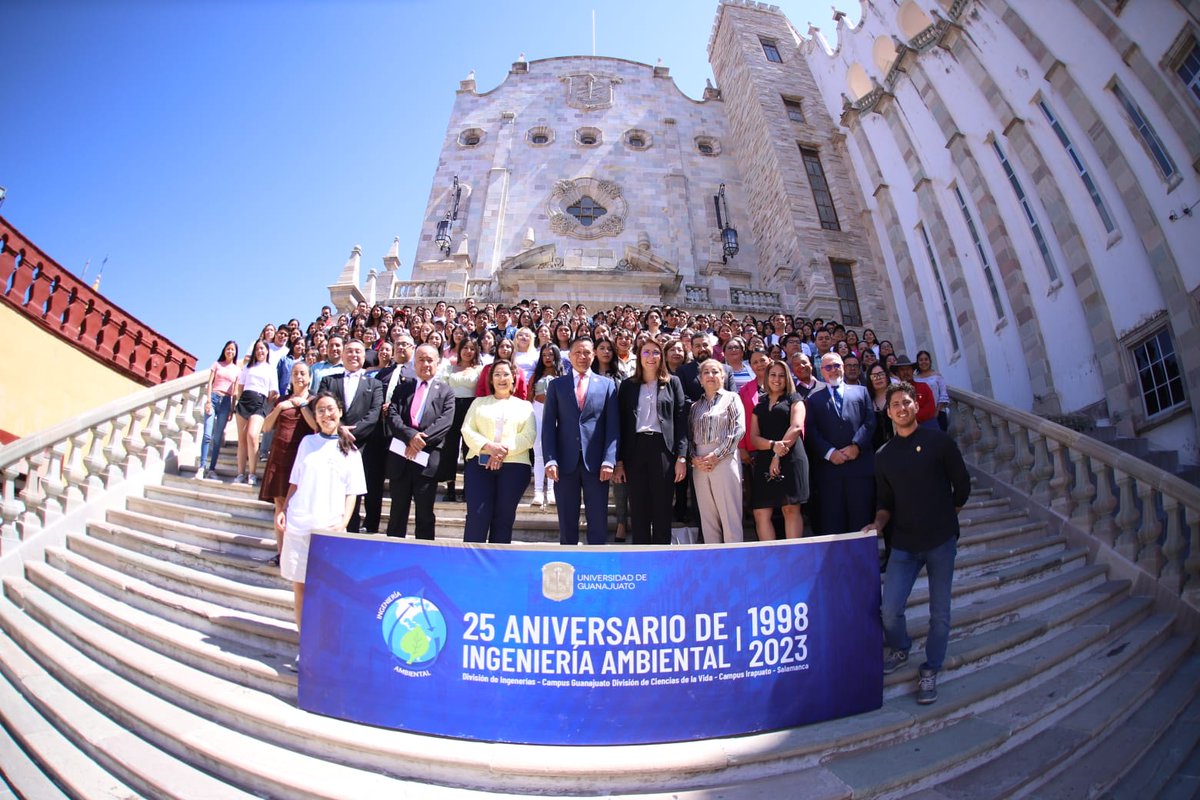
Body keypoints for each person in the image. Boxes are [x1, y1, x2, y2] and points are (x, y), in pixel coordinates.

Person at [865, 381, 971, 705]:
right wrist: (878, 525)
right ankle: (900, 647)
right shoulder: (883, 457)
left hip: (940, 541)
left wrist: (943, 515)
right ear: (889, 411)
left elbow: (962, 487)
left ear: (915, 405)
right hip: (904, 546)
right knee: (890, 610)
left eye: (906, 402)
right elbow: (884, 503)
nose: (901, 407)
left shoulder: (939, 442)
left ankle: (931, 668)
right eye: (895, 403)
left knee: (940, 613)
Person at [278, 390, 365, 670]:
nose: (327, 414)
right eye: (320, 411)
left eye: (331, 409)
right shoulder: (306, 443)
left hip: (329, 529)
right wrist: (284, 510)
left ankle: (326, 646)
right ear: (314, 418)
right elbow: (295, 481)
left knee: (327, 591)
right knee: (300, 588)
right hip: (299, 524)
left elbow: (352, 493)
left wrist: (342, 524)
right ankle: (306, 647)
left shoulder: (350, 450)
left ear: (339, 411)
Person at [542, 335, 620, 546]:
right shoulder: (557, 385)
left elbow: (613, 427)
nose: (582, 357)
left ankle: (595, 565)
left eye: (587, 352)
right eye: (577, 352)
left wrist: (609, 460)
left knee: (598, 520)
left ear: (594, 355)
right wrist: (550, 459)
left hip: (596, 464)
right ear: (570, 355)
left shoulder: (607, 385)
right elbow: (549, 426)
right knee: (567, 521)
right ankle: (569, 562)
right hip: (564, 464)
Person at [613, 338, 688, 545]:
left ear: (662, 356)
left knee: (663, 505)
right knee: (638, 506)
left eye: (656, 352)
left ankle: (661, 553)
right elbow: (620, 423)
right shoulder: (628, 385)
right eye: (646, 352)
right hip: (635, 449)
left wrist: (682, 456)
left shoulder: (672, 382)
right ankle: (642, 556)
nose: (651, 357)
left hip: (663, 449)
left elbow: (681, 420)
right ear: (639, 356)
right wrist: (619, 461)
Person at [460, 360, 538, 544]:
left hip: (515, 467)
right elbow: (467, 430)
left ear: (514, 378)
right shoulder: (478, 403)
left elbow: (528, 436)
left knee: (504, 517)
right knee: (477, 516)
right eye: (497, 374)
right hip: (479, 465)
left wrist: (501, 452)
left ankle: (498, 565)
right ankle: (470, 562)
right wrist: (489, 447)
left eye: (505, 374)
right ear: (490, 379)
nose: (501, 378)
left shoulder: (525, 406)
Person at [312, 340, 383, 532]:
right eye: (349, 351)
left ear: (364, 356)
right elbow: (322, 407)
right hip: (335, 444)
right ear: (342, 356)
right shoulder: (330, 381)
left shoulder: (375, 384)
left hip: (366, 446)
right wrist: (339, 429)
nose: (353, 355)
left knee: (364, 490)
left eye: (358, 352)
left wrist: (353, 431)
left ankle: (369, 530)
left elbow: (374, 413)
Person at [386, 344, 456, 539]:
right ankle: (394, 552)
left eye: (430, 360)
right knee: (397, 512)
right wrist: (410, 437)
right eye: (421, 360)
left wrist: (419, 442)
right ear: (414, 363)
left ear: (437, 363)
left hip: (427, 460)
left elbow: (445, 422)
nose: (425, 364)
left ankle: (424, 553)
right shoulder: (403, 388)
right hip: (401, 457)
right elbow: (392, 415)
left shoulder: (446, 391)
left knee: (425, 514)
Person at [804, 353, 876, 535]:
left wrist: (856, 446)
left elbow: (870, 422)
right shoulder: (813, 399)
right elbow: (811, 431)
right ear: (822, 371)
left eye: (836, 365)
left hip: (859, 468)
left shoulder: (862, 392)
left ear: (843, 367)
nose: (833, 370)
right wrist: (829, 453)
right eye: (828, 367)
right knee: (833, 523)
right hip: (830, 472)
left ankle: (864, 564)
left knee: (861, 524)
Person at [259, 361, 315, 564]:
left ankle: (297, 552)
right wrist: (280, 408)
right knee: (280, 505)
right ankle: (281, 553)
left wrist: (302, 406)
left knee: (298, 507)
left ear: (309, 377)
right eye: (295, 374)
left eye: (302, 373)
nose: (299, 377)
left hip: (301, 458)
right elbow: (266, 427)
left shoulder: (314, 400)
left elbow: (316, 426)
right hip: (279, 455)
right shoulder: (282, 400)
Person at [747, 361, 809, 540]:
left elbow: (796, 427)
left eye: (781, 375)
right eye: (773, 374)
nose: (777, 379)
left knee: (790, 509)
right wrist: (773, 446)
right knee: (760, 513)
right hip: (765, 459)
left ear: (787, 378)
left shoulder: (794, 399)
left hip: (791, 458)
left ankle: (794, 558)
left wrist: (777, 455)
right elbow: (754, 438)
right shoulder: (760, 404)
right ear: (767, 377)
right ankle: (772, 560)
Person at [688, 359, 746, 543]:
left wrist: (717, 455)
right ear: (700, 378)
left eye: (715, 372)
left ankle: (734, 561)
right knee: (707, 517)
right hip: (699, 463)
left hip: (724, 459)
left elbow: (738, 429)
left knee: (730, 515)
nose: (711, 376)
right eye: (706, 372)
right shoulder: (695, 407)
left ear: (723, 376)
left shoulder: (732, 398)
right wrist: (693, 458)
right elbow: (688, 436)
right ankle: (713, 560)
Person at [437, 337, 485, 502]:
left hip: (471, 409)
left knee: (469, 449)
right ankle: (450, 489)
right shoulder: (450, 368)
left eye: (472, 348)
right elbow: (442, 389)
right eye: (465, 348)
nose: (468, 352)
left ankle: (468, 488)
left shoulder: (480, 369)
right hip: (452, 408)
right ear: (459, 350)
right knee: (450, 449)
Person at [233, 339, 277, 486]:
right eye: (257, 349)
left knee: (252, 436)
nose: (259, 351)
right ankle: (240, 473)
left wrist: (267, 405)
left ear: (267, 351)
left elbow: (273, 391)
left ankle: (252, 472)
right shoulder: (248, 367)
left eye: (262, 349)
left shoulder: (270, 368)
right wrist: (239, 401)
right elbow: (240, 387)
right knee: (242, 439)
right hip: (245, 400)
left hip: (260, 402)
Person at [198, 340, 241, 480]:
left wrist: (232, 409)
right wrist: (209, 401)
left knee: (217, 438)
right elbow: (210, 382)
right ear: (224, 350)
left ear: (235, 353)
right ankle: (201, 466)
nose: (230, 352)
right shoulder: (217, 364)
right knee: (207, 435)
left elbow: (234, 391)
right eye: (228, 349)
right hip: (214, 398)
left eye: (233, 350)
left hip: (226, 402)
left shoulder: (237, 369)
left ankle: (211, 469)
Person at [529, 344, 563, 508]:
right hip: (537, 410)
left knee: (553, 451)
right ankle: (537, 492)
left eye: (551, 354)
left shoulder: (563, 374)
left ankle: (551, 490)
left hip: (556, 412)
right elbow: (529, 396)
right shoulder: (536, 375)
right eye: (544, 355)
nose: (547, 358)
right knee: (538, 452)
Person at [891, 354, 939, 430]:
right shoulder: (896, 394)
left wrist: (912, 418)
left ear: (912, 370)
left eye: (908, 369)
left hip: (929, 426)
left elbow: (930, 407)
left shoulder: (923, 386)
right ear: (897, 373)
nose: (906, 372)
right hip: (909, 430)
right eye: (902, 370)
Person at [915, 350, 951, 431]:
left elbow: (943, 394)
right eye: (921, 360)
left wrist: (937, 411)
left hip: (939, 413)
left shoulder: (937, 376)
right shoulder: (915, 379)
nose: (923, 362)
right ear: (917, 362)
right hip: (923, 417)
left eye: (926, 359)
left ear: (930, 361)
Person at [866, 362, 895, 451]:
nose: (878, 378)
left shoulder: (896, 397)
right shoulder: (867, 401)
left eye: (881, 374)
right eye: (874, 376)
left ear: (886, 376)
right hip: (877, 450)